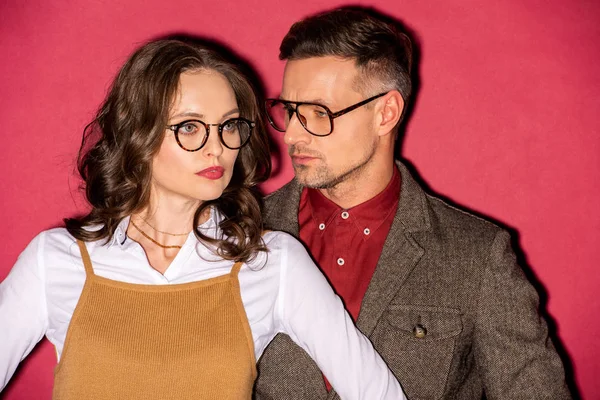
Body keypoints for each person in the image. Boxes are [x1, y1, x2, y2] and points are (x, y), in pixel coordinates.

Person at [0, 38, 406, 399]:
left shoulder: (271, 262)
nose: (217, 148)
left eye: (229, 125)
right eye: (190, 127)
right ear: (137, 133)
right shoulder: (54, 260)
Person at [255, 7, 572, 400]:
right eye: (290, 111)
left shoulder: (476, 254)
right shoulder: (241, 233)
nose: (292, 137)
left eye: (319, 113)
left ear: (385, 112)